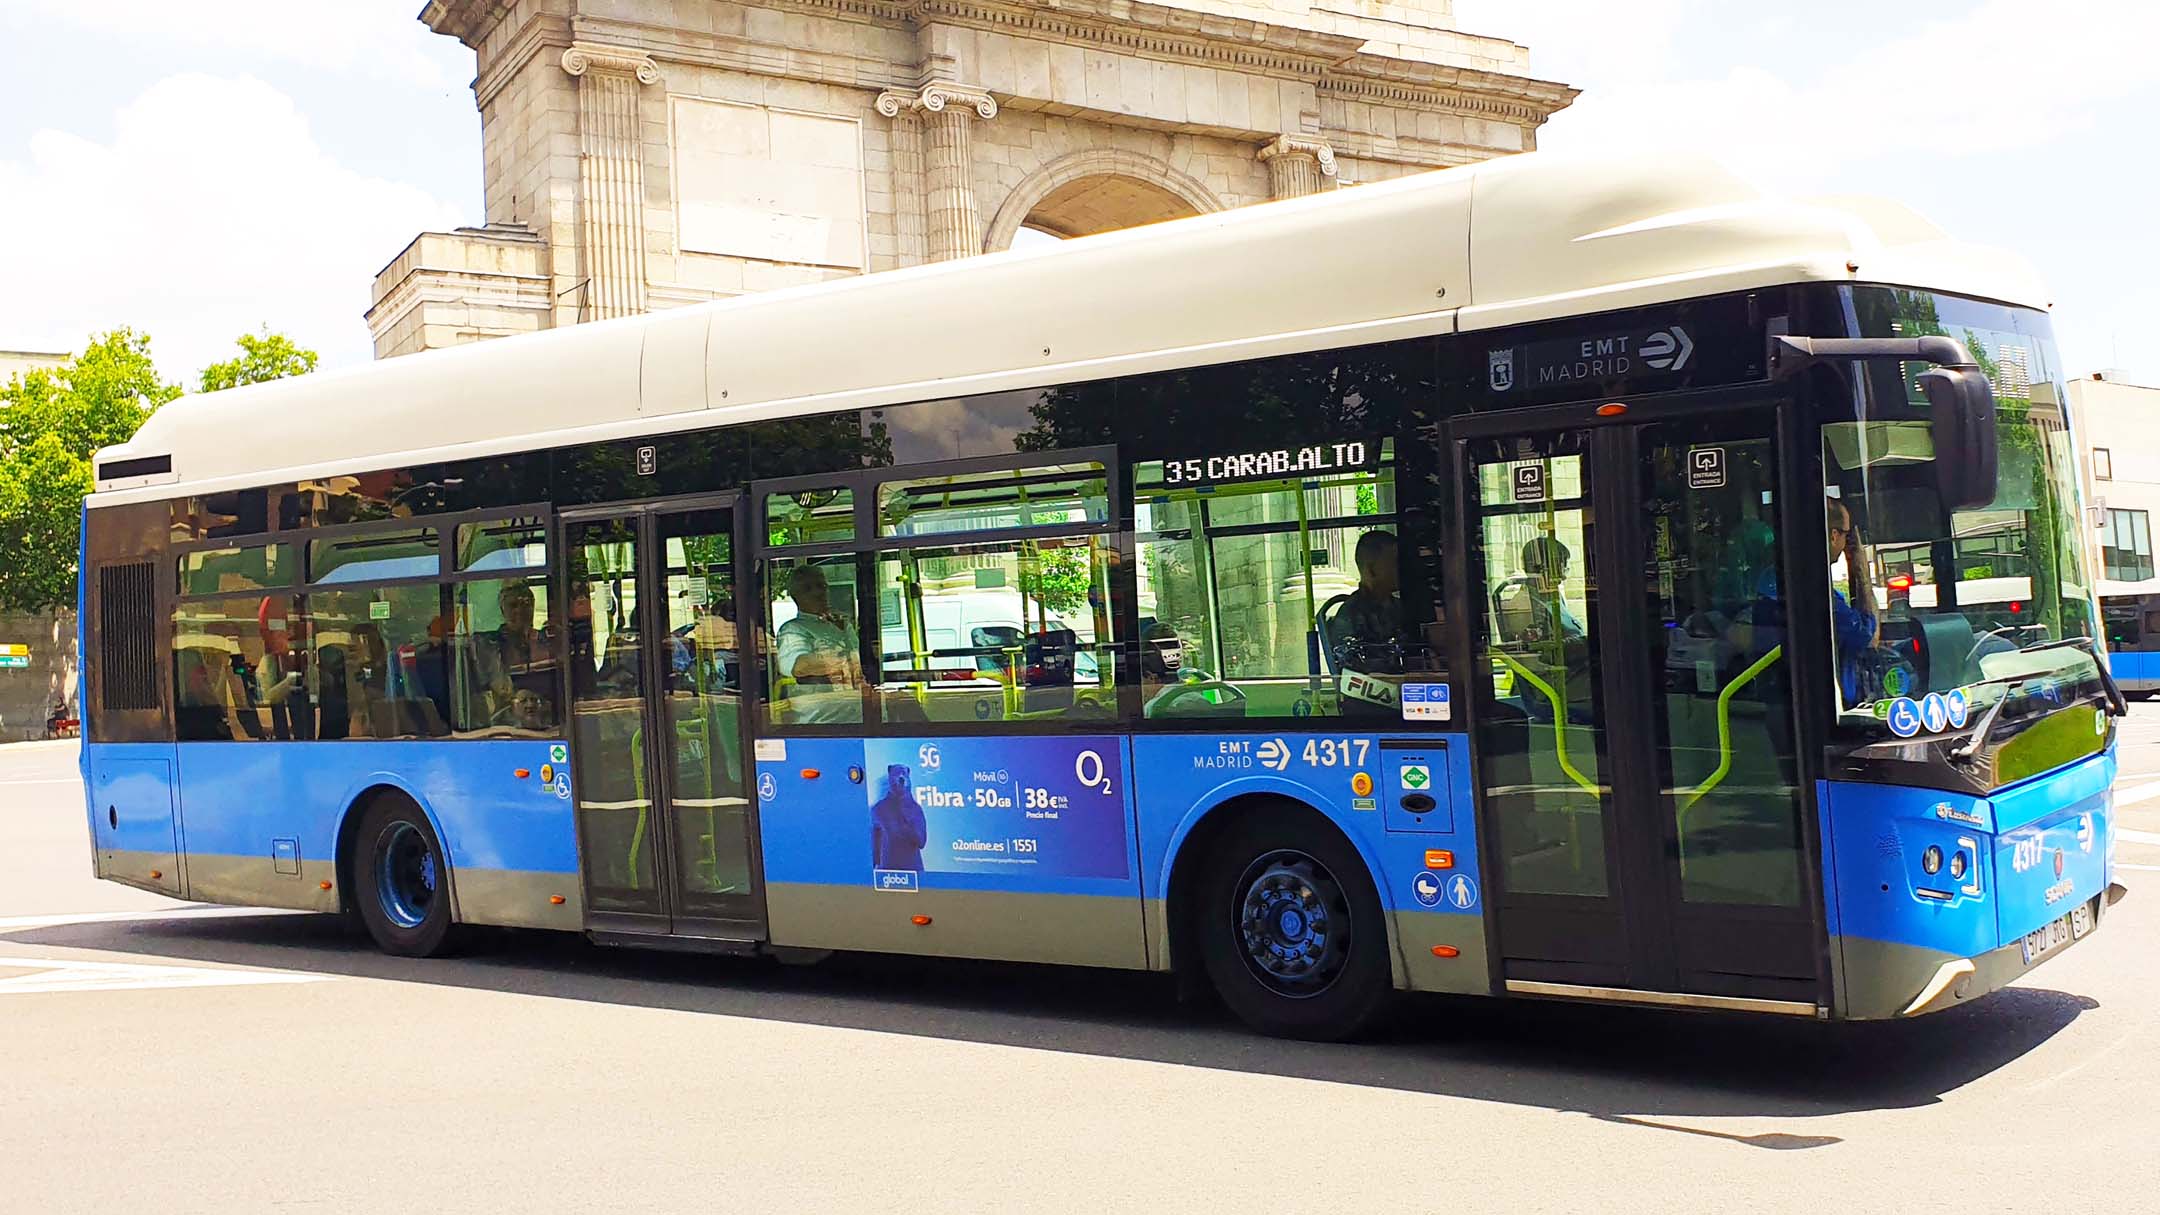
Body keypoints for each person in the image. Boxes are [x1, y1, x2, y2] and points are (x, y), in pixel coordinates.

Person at [775, 563, 862, 723]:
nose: (818, 592)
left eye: (821, 586)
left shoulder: (841, 624)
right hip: (822, 720)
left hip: (856, 712)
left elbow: (861, 662)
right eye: (808, 589)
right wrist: (843, 661)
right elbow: (798, 666)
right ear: (796, 596)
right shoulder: (793, 629)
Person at [1826, 496, 1881, 705]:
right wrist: (1861, 568)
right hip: (1836, 707)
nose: (1846, 543)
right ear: (1834, 535)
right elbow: (1869, 638)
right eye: (1846, 535)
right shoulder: (1824, 599)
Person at [1520, 536, 1586, 641]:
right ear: (1546, 567)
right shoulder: (1529, 603)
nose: (1564, 576)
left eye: (1565, 569)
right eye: (1561, 568)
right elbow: (1550, 646)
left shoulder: (1551, 594)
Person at [869, 764, 928, 872]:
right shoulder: (878, 809)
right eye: (896, 775)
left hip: (913, 871)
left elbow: (921, 841)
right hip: (888, 873)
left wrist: (906, 817)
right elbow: (874, 845)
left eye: (903, 775)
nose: (900, 779)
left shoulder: (915, 809)